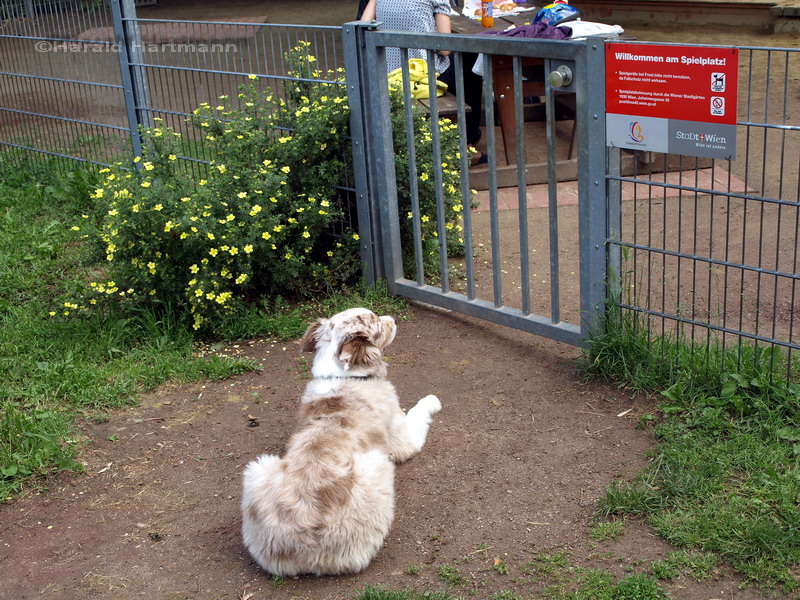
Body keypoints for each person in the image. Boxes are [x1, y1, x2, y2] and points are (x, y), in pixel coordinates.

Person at [359, 0, 486, 165]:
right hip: (423, 79)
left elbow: (361, 28)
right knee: (472, 58)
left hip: (387, 76)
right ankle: (467, 143)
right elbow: (445, 48)